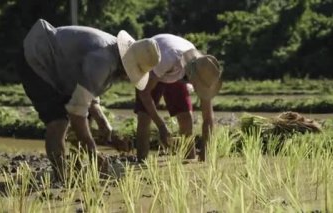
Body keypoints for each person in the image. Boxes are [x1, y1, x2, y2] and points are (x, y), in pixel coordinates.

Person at [21, 19, 160, 180]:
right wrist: (93, 152)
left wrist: (105, 126)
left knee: (83, 119)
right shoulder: (102, 60)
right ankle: (60, 180)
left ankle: (76, 168)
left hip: (61, 68)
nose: (127, 78)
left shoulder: (112, 51)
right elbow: (76, 113)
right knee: (58, 123)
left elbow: (87, 93)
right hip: (38, 57)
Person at [121, 32, 223, 162]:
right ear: (192, 77)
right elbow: (144, 93)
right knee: (144, 117)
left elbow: (208, 118)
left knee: (186, 118)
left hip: (176, 72)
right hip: (155, 64)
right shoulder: (168, 58)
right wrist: (161, 126)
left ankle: (189, 158)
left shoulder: (206, 72)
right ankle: (141, 161)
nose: (200, 90)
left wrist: (205, 155)